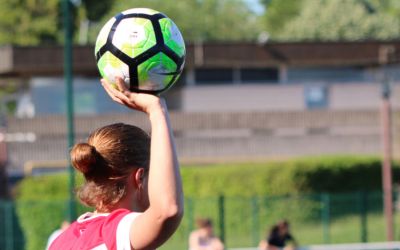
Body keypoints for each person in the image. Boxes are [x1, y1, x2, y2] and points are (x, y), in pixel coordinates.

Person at [49, 77, 184, 249]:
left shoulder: (60, 241)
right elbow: (167, 211)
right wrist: (157, 111)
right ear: (140, 178)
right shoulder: (115, 232)